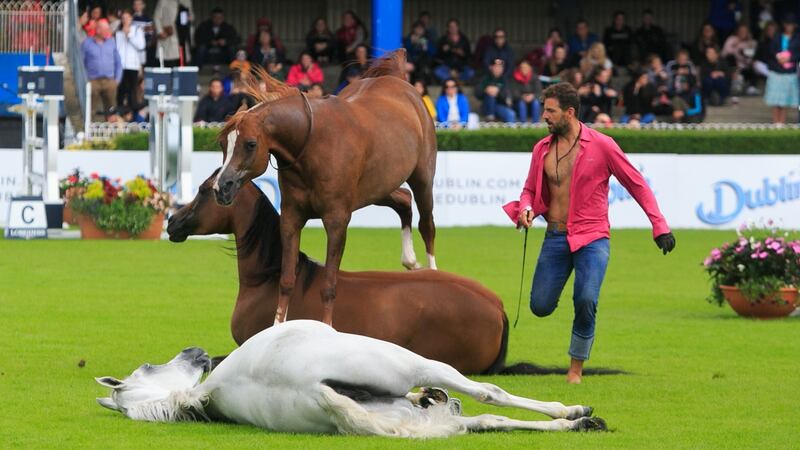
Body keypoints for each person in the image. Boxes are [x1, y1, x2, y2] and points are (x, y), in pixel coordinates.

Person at [504, 82, 675, 384]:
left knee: (585, 299)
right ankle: (565, 326)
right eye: (544, 110)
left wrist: (659, 225)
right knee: (540, 306)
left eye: (550, 111)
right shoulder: (541, 149)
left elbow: (637, 184)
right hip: (555, 237)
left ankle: (575, 370)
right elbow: (529, 190)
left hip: (593, 237)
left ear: (569, 113)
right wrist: (526, 208)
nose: (544, 116)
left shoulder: (603, 145)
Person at [81, 19, 122, 121]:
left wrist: (117, 80)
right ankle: (90, 132)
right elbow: (81, 63)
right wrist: (86, 80)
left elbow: (118, 63)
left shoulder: (112, 42)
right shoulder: (87, 43)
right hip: (93, 81)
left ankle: (111, 134)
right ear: (98, 30)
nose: (108, 31)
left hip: (109, 81)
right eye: (106, 29)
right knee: (90, 109)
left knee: (112, 110)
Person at [764, 15, 800, 124]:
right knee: (775, 99)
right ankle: (776, 123)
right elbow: (770, 51)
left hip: (789, 71)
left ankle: (782, 123)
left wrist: (790, 58)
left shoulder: (798, 38)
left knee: (785, 100)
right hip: (776, 70)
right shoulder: (777, 36)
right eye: (787, 24)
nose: (789, 27)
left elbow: (798, 53)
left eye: (791, 25)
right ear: (784, 25)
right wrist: (778, 57)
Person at [114, 10, 145, 109]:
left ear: (131, 18)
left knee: (132, 90)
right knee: (121, 90)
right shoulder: (118, 32)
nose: (125, 20)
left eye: (127, 18)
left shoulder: (137, 30)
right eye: (123, 18)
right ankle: (120, 111)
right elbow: (117, 49)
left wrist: (129, 36)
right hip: (121, 66)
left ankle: (132, 112)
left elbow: (141, 46)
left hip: (133, 65)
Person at [152, 0, 193, 67]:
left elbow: (192, 16)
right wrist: (160, 32)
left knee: (183, 62)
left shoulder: (187, 1)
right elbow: (156, 17)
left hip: (182, 36)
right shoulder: (163, 1)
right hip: (169, 36)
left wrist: (189, 18)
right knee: (169, 63)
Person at [722, 24, 758, 95]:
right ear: (737, 32)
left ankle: (751, 88)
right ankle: (735, 86)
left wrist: (748, 46)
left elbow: (749, 59)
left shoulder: (750, 42)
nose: (742, 33)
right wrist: (736, 45)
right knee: (730, 57)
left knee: (754, 65)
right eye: (741, 31)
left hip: (744, 67)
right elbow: (724, 54)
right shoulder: (732, 39)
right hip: (732, 67)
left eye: (745, 31)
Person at [434, 18, 474, 83]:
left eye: (454, 26)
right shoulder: (443, 39)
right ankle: (456, 81)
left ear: (458, 27)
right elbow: (437, 56)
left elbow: (469, 55)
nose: (453, 28)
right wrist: (443, 50)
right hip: (447, 67)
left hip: (461, 67)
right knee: (437, 72)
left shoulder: (464, 39)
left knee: (471, 72)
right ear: (448, 28)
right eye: (450, 27)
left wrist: (462, 53)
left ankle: (452, 80)